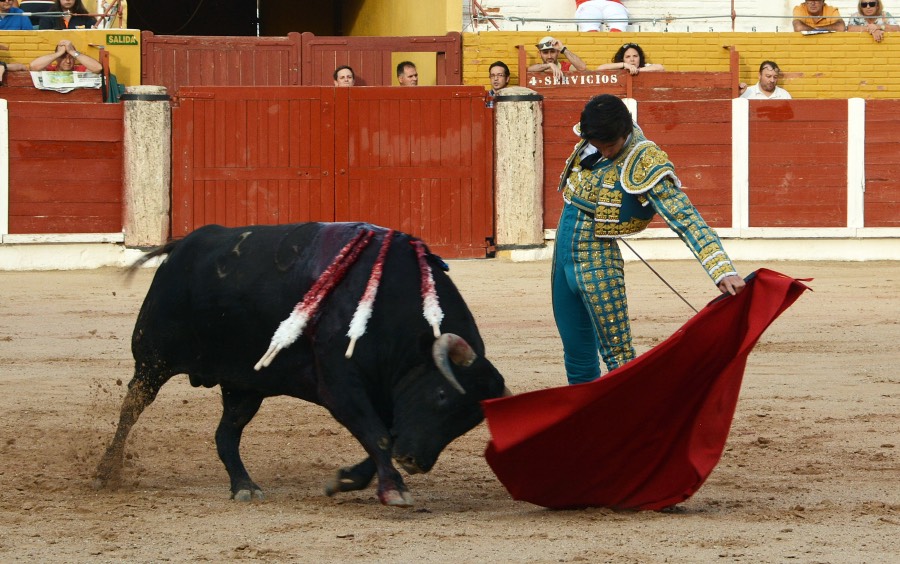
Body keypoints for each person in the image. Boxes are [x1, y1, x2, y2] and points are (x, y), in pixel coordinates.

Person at [552, 94, 745, 385]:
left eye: (610, 146)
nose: (603, 153)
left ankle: (634, 426)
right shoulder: (595, 137)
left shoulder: (644, 160)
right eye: (598, 145)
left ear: (626, 132)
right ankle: (590, 425)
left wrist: (722, 269)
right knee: (576, 354)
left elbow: (686, 219)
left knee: (619, 357)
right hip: (562, 251)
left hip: (597, 258)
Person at [30, 39, 103, 73]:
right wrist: (59, 53)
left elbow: (98, 68)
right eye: (63, 57)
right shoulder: (50, 70)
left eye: (71, 57)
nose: (68, 61)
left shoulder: (80, 69)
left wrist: (72, 51)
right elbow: (33, 66)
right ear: (56, 59)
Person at [596, 42, 664, 74]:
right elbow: (600, 68)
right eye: (628, 57)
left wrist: (637, 70)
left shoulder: (645, 67)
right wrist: (624, 65)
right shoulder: (618, 68)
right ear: (622, 59)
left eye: (635, 56)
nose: (632, 60)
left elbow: (660, 67)